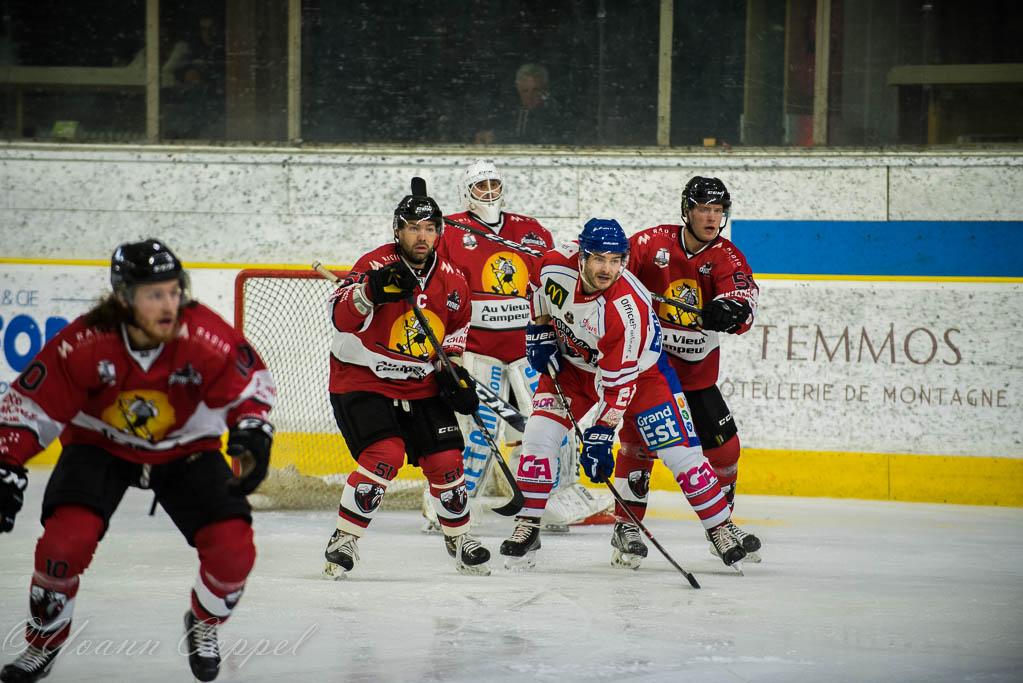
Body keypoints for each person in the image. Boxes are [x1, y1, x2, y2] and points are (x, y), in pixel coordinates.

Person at [0, 239, 276, 683]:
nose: (169, 304)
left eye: (174, 291)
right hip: (99, 447)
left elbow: (250, 388)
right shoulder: (85, 342)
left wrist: (252, 433)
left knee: (233, 551)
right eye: (154, 294)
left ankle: (203, 623)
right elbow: (29, 407)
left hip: (187, 450)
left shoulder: (204, 336)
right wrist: (6, 461)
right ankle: (43, 643)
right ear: (124, 297)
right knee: (62, 547)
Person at [499, 218, 749, 571]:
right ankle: (528, 524)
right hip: (573, 369)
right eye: (599, 259)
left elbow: (619, 388)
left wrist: (601, 434)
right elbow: (535, 290)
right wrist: (538, 330)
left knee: (682, 456)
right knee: (538, 437)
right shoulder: (554, 264)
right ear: (582, 256)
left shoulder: (626, 311)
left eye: (616, 260)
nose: (607, 269)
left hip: (643, 377)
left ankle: (720, 528)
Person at [426, 159, 610, 531]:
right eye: (480, 186)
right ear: (466, 192)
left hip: (527, 347)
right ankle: (452, 500)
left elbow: (552, 278)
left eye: (494, 184)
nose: (489, 192)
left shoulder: (530, 230)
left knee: (553, 418)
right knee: (479, 428)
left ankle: (560, 494)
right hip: (477, 348)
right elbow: (434, 285)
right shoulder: (449, 231)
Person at [322, 177, 492, 578]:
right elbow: (339, 317)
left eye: (430, 228)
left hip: (420, 384)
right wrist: (370, 292)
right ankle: (344, 539)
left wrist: (454, 373)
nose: (422, 236)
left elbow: (454, 333)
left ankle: (460, 537)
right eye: (413, 228)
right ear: (397, 230)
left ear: (439, 232)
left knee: (447, 461)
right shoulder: (373, 265)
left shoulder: (453, 279)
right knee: (385, 454)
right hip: (363, 379)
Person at [627, 176, 763, 562]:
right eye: (704, 209)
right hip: (650, 371)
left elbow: (743, 296)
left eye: (718, 210)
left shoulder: (727, 256)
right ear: (687, 211)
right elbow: (614, 270)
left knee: (726, 451)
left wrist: (732, 310)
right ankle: (626, 527)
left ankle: (721, 525)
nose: (712, 217)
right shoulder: (650, 243)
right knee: (638, 447)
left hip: (696, 375)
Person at [474, 63, 572, 145]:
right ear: (518, 89)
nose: (530, 96)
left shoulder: (557, 116)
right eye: (525, 91)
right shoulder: (505, 114)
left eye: (536, 90)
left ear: (545, 90)